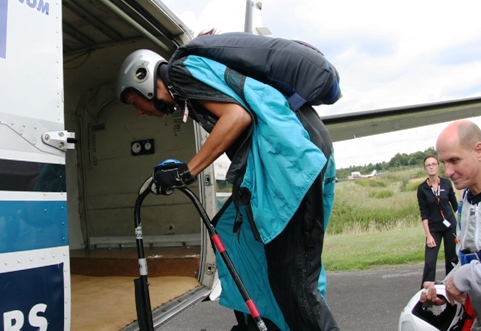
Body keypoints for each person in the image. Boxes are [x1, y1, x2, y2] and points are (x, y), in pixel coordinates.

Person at [116, 31, 340, 331]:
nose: (139, 112)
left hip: (293, 160)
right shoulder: (190, 79)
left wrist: (186, 172)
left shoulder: (179, 73)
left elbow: (236, 117)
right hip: (295, 157)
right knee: (272, 270)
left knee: (295, 283)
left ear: (143, 79)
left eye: (134, 101)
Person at [420, 120, 481, 331]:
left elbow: (471, 272)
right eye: (444, 163)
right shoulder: (466, 202)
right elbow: (472, 260)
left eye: (454, 160)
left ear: (479, 151)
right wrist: (445, 287)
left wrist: (465, 276)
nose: (448, 172)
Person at [417, 155, 459, 287]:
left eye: (433, 164)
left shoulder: (446, 183)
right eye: (428, 165)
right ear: (425, 169)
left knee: (451, 259)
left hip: (450, 226)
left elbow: (455, 206)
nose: (431, 167)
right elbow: (424, 213)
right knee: (430, 262)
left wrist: (461, 224)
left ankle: (451, 288)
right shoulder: (422, 189)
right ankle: (425, 293)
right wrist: (428, 235)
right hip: (434, 229)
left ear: (438, 166)